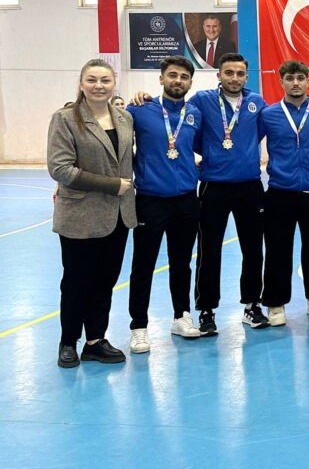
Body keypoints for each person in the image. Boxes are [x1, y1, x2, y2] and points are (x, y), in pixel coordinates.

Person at [47, 59, 136, 368]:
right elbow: (60, 168)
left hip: (118, 216)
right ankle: (68, 341)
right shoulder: (65, 118)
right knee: (76, 281)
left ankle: (95, 341)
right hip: (80, 216)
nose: (99, 85)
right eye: (92, 80)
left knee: (105, 280)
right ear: (82, 83)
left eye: (105, 80)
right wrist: (112, 185)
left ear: (114, 84)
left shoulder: (124, 118)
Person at [186, 53, 269, 333]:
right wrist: (212, 154)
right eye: (229, 72)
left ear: (246, 76)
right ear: (219, 75)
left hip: (250, 185)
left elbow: (259, 133)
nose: (234, 78)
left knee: (253, 249)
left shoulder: (257, 102)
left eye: (240, 73)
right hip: (214, 186)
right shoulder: (202, 100)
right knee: (209, 249)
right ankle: (206, 310)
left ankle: (252, 305)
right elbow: (187, 128)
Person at [126, 56, 203, 351]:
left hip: (186, 200)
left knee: (182, 263)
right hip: (151, 200)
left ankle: (181, 316)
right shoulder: (139, 109)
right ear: (161, 79)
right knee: (143, 265)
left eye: (184, 76)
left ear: (190, 82)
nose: (178, 81)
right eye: (172, 75)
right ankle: (139, 326)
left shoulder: (194, 113)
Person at [258, 61, 309, 327]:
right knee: (278, 249)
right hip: (280, 192)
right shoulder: (268, 115)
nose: (295, 83)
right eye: (290, 78)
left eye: (301, 78)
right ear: (281, 81)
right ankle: (275, 303)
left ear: (308, 81)